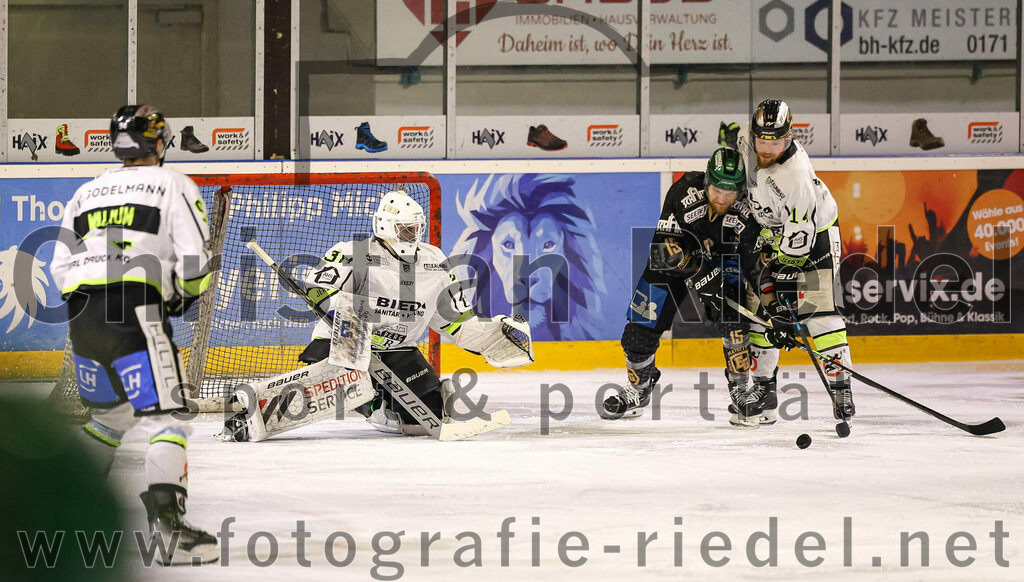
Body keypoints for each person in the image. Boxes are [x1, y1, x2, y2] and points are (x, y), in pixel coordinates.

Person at [221, 190, 533, 440]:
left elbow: (453, 319)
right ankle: (273, 408)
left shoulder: (434, 260)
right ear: (384, 226)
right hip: (344, 345)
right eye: (405, 230)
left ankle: (386, 404)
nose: (413, 235)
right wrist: (356, 328)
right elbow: (319, 288)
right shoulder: (354, 252)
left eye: (417, 229)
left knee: (422, 422)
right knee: (350, 385)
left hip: (397, 351)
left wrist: (494, 334)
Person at [49, 105, 218, 564]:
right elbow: (195, 261)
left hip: (81, 316)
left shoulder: (86, 192)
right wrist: (181, 295)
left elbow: (59, 266)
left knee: (111, 419)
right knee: (169, 417)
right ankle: (169, 534)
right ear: (159, 143)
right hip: (134, 310)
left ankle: (59, 519)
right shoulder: (172, 184)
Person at [606, 148, 768, 426]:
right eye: (717, 190)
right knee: (637, 333)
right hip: (674, 261)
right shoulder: (682, 191)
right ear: (706, 182)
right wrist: (701, 273)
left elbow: (753, 259)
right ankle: (639, 388)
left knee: (735, 320)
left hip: (725, 261)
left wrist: (769, 303)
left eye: (730, 194)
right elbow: (662, 249)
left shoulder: (749, 206)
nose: (722, 199)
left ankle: (741, 392)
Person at [737, 99, 855, 424]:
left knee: (818, 313)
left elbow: (798, 242)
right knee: (761, 315)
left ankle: (840, 386)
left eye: (775, 141)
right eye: (763, 139)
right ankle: (764, 389)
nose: (767, 147)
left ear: (788, 138)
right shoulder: (745, 144)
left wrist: (786, 291)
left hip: (813, 237)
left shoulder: (796, 176)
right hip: (773, 235)